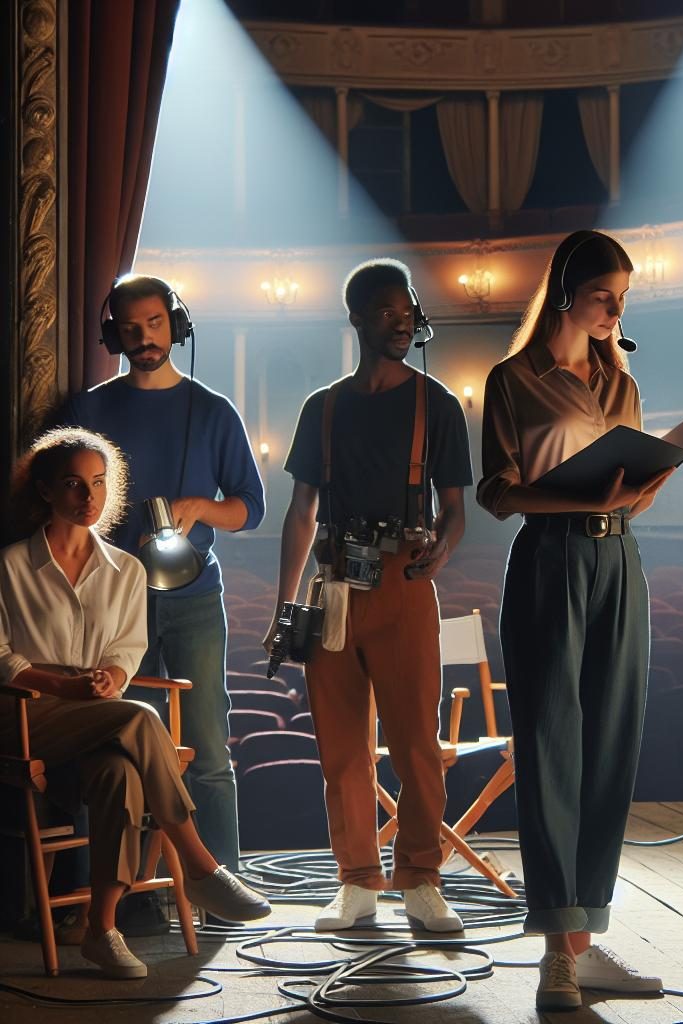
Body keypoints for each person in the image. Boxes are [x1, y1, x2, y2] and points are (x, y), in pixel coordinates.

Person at [477, 230, 673, 1011]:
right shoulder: (513, 380)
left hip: (619, 561)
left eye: (623, 299)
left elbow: (631, 487)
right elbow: (497, 492)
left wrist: (642, 488)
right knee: (554, 746)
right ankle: (555, 952)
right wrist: (579, 500)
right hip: (549, 559)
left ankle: (585, 941)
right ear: (567, 290)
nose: (614, 311)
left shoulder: (619, 383)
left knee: (612, 746)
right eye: (603, 296)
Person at [0, 428, 271, 980]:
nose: (88, 497)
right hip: (24, 712)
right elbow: (2, 659)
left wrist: (111, 677)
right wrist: (65, 686)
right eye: (74, 484)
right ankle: (199, 863)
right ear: (47, 491)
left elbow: (127, 650)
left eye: (98, 484)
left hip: (96, 714)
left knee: (121, 773)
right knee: (142, 716)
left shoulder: (128, 569)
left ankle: (101, 929)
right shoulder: (9, 566)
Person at [266, 258, 473, 934]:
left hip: (405, 582)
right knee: (341, 748)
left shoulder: (435, 404)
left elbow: (456, 508)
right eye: (387, 310)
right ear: (357, 317)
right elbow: (301, 512)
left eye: (408, 308)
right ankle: (356, 881)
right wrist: (282, 607)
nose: (402, 318)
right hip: (332, 587)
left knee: (417, 744)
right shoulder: (322, 408)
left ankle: (420, 878)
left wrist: (445, 544)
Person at [63, 274, 264, 931]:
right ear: (112, 333)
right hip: (114, 602)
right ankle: (138, 898)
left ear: (174, 324)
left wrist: (201, 506)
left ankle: (221, 887)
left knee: (207, 744)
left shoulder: (212, 411)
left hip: (196, 595)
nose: (142, 336)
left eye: (153, 322)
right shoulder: (89, 412)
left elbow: (251, 510)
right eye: (128, 326)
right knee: (124, 750)